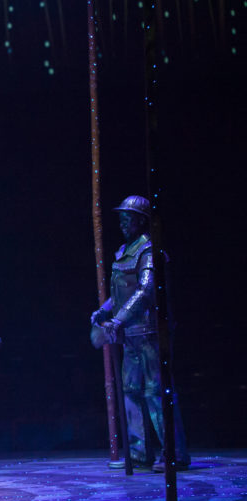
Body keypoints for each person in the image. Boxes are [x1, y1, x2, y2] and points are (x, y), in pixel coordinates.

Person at [91, 195, 189, 472]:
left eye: (128, 217)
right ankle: (139, 453)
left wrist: (118, 320)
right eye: (121, 217)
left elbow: (145, 291)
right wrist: (104, 311)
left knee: (155, 392)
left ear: (141, 220)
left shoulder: (149, 250)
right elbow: (119, 293)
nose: (123, 222)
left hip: (148, 332)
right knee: (131, 392)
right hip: (129, 334)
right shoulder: (125, 251)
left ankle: (173, 452)